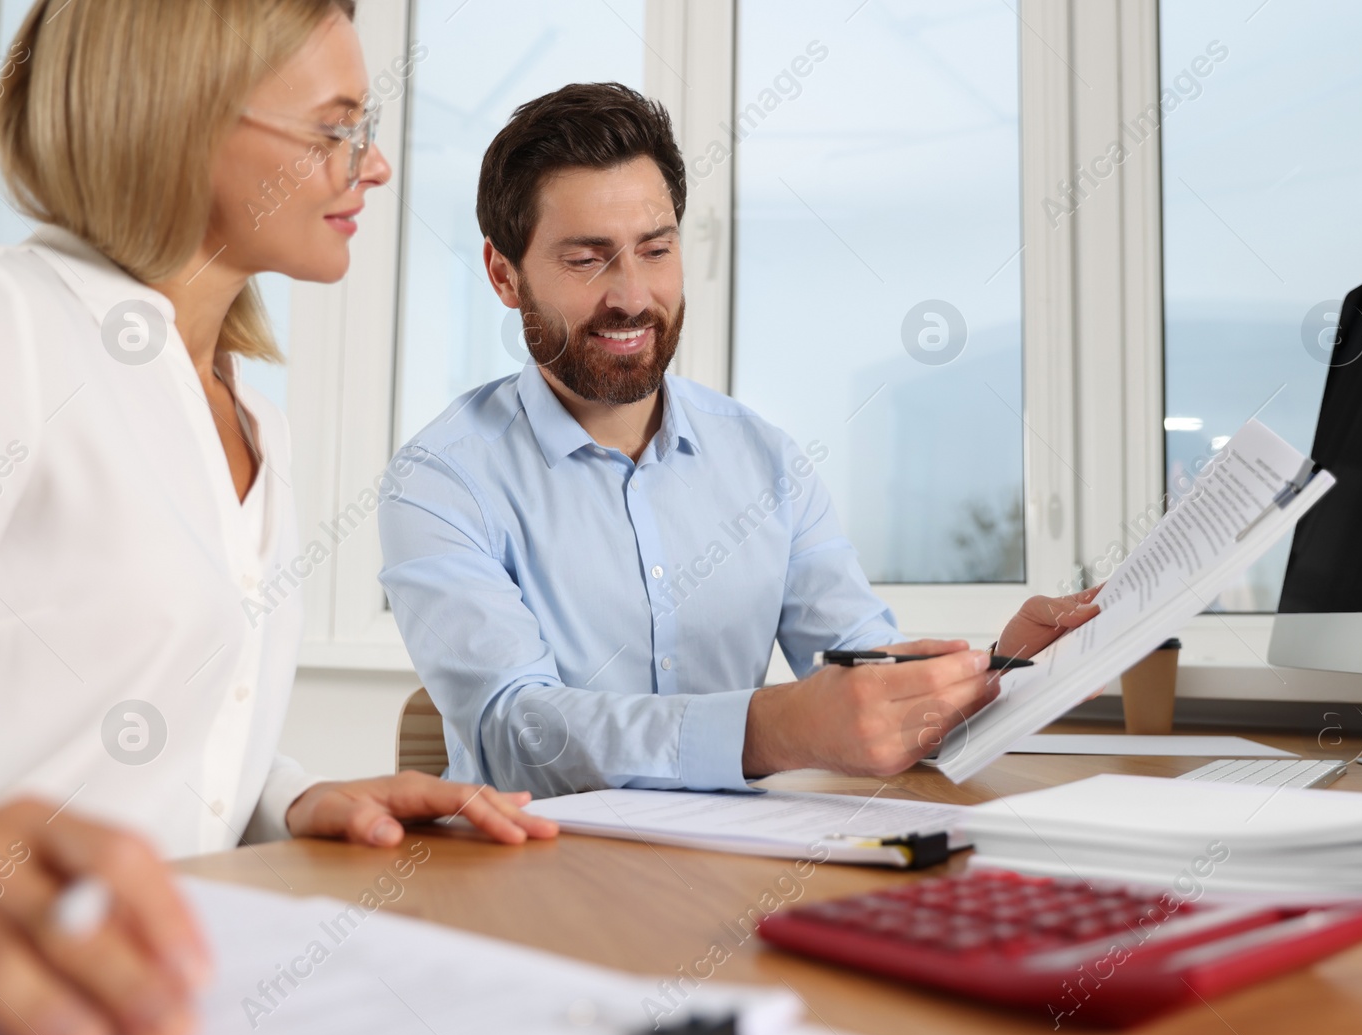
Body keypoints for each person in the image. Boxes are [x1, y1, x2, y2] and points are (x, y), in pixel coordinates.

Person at [0, 1, 554, 1035]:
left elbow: (143, 717)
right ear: (178, 119)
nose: (375, 166)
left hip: (155, 998)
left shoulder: (247, 409)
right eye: (335, 128)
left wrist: (290, 793)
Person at [377, 82, 1100, 799]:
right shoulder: (441, 479)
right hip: (527, 881)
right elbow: (518, 731)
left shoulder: (769, 463)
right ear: (504, 274)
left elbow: (863, 679)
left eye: (654, 250)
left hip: (731, 877)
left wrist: (1000, 672)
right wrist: (771, 728)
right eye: (586, 259)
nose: (631, 294)